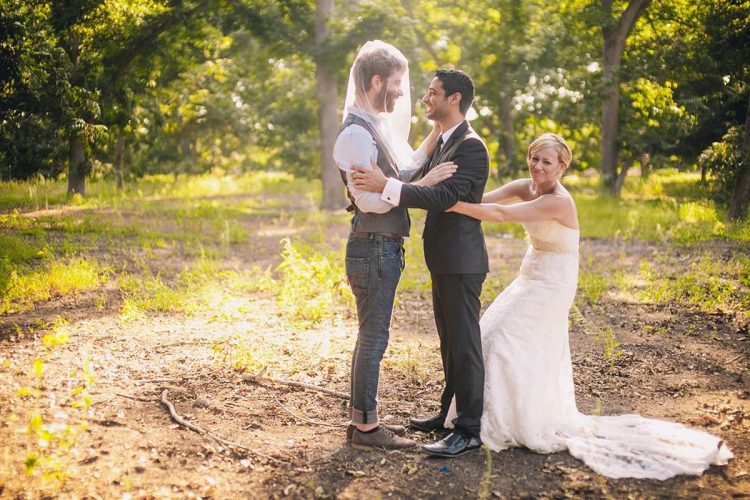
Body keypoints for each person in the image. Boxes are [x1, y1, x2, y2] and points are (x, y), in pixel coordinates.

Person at [444, 133, 733, 479]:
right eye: (534, 158)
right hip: (531, 271)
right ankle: (487, 414)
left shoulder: (560, 202)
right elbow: (484, 199)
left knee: (506, 336)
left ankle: (511, 421)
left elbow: (501, 214)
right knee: (488, 333)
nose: (537, 166)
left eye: (546, 162)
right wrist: (448, 194)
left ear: (562, 166)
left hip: (554, 279)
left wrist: (452, 205)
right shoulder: (527, 185)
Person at [351, 69, 490, 457]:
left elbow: (443, 196)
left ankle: (469, 429)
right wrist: (400, 182)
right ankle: (449, 413)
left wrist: (385, 186)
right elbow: (421, 179)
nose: (425, 99)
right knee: (449, 341)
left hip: (462, 261)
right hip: (444, 259)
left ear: (455, 99)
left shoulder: (471, 146)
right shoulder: (445, 141)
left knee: (464, 345)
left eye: (433, 93)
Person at [334, 41, 456, 450]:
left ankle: (363, 422)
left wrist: (432, 137)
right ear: (376, 80)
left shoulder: (372, 127)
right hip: (372, 246)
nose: (404, 93)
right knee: (373, 337)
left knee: (374, 335)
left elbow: (397, 171)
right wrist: (423, 185)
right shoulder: (354, 134)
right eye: (399, 84)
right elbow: (369, 200)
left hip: (383, 247)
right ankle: (365, 429)